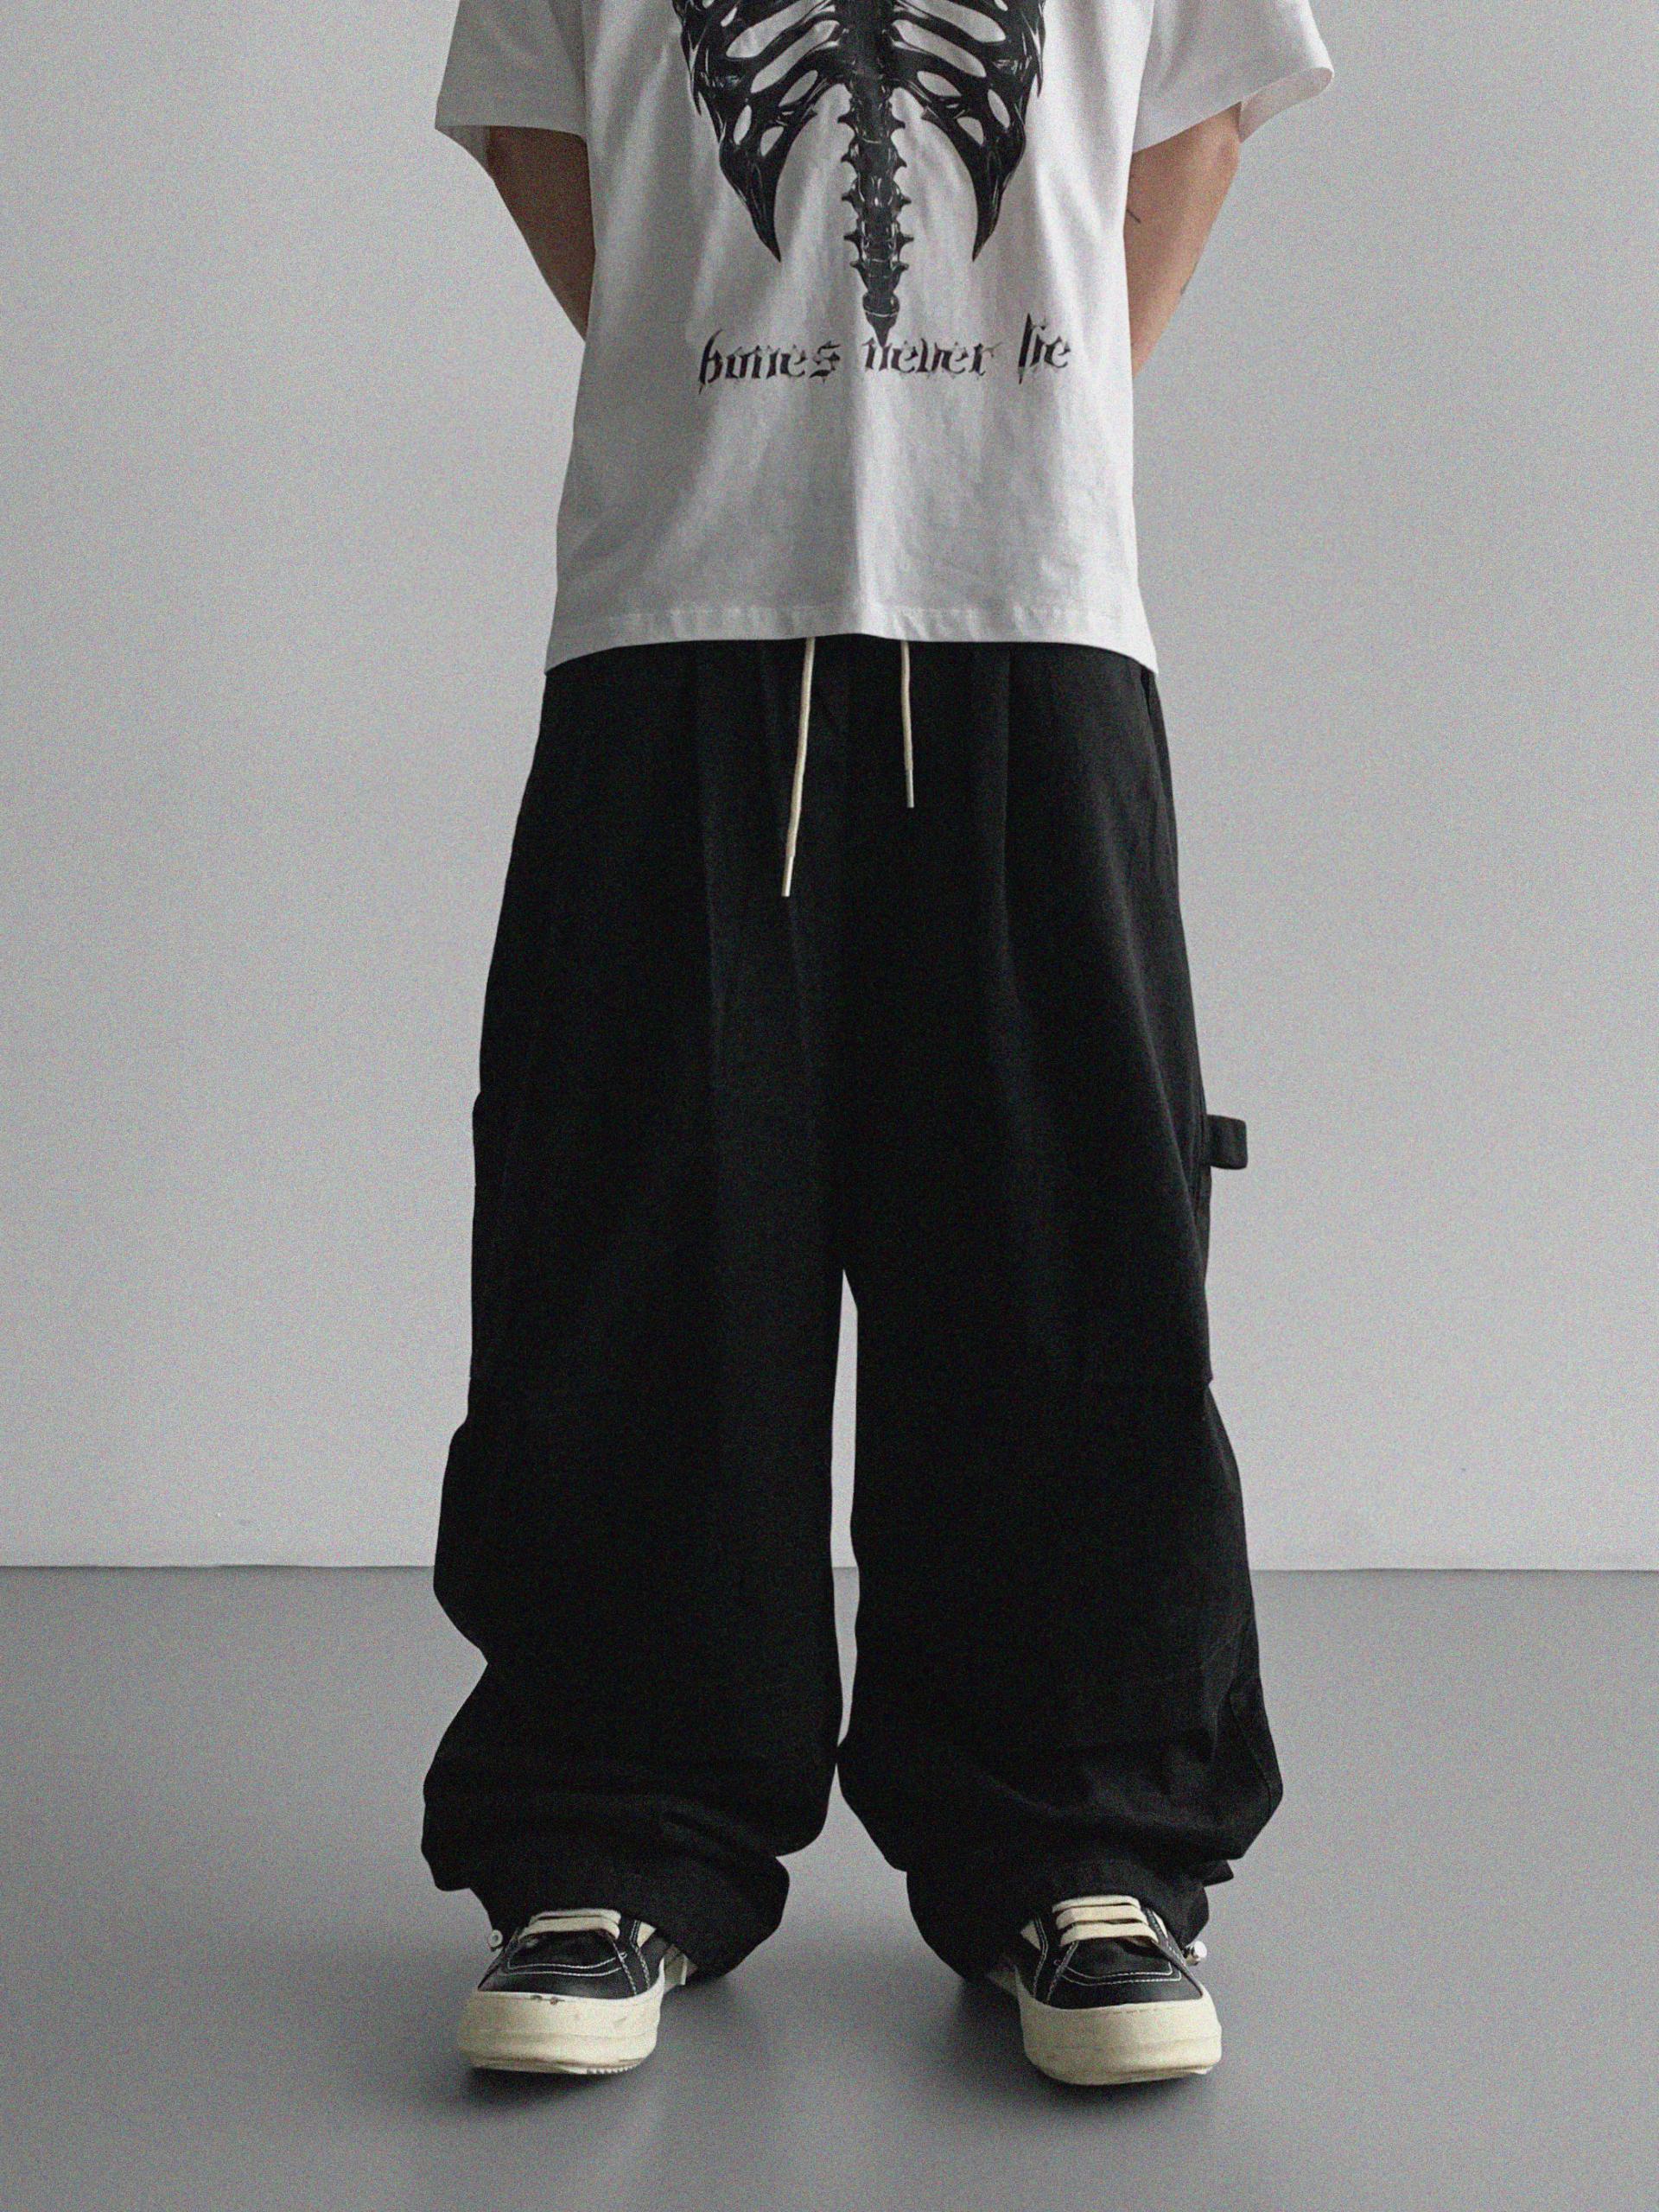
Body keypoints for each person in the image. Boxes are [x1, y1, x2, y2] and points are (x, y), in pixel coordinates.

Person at [422, 0, 1332, 2088]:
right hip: (677, 607)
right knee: (641, 1223)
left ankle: (1080, 1837)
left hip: (1032, 600)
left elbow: (1199, 116)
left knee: (1061, 1224)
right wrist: (709, 375)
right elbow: (547, 139)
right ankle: (614, 1826)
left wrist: (1032, 410)